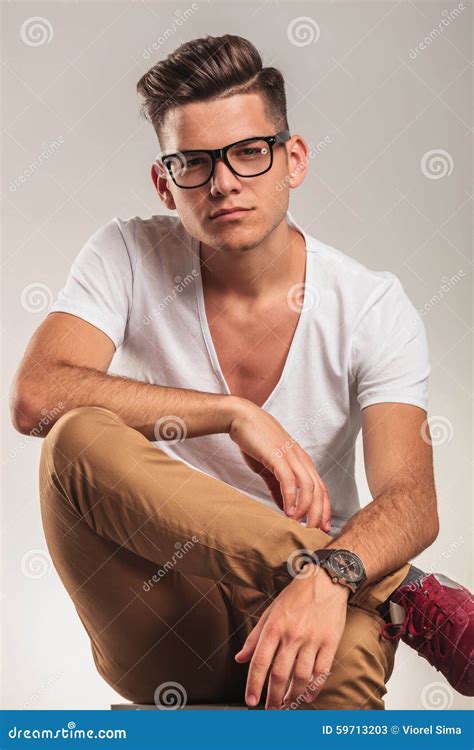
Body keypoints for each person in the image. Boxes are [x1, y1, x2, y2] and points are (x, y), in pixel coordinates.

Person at [10, 34, 472, 710]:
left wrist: (327, 579)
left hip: (322, 609)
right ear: (164, 184)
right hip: (172, 616)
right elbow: (36, 396)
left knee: (332, 708)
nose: (223, 181)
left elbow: (410, 501)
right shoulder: (128, 254)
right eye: (193, 163)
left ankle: (357, 587)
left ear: (294, 159)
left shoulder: (371, 306)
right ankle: (400, 591)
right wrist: (233, 413)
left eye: (248, 152)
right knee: (74, 439)